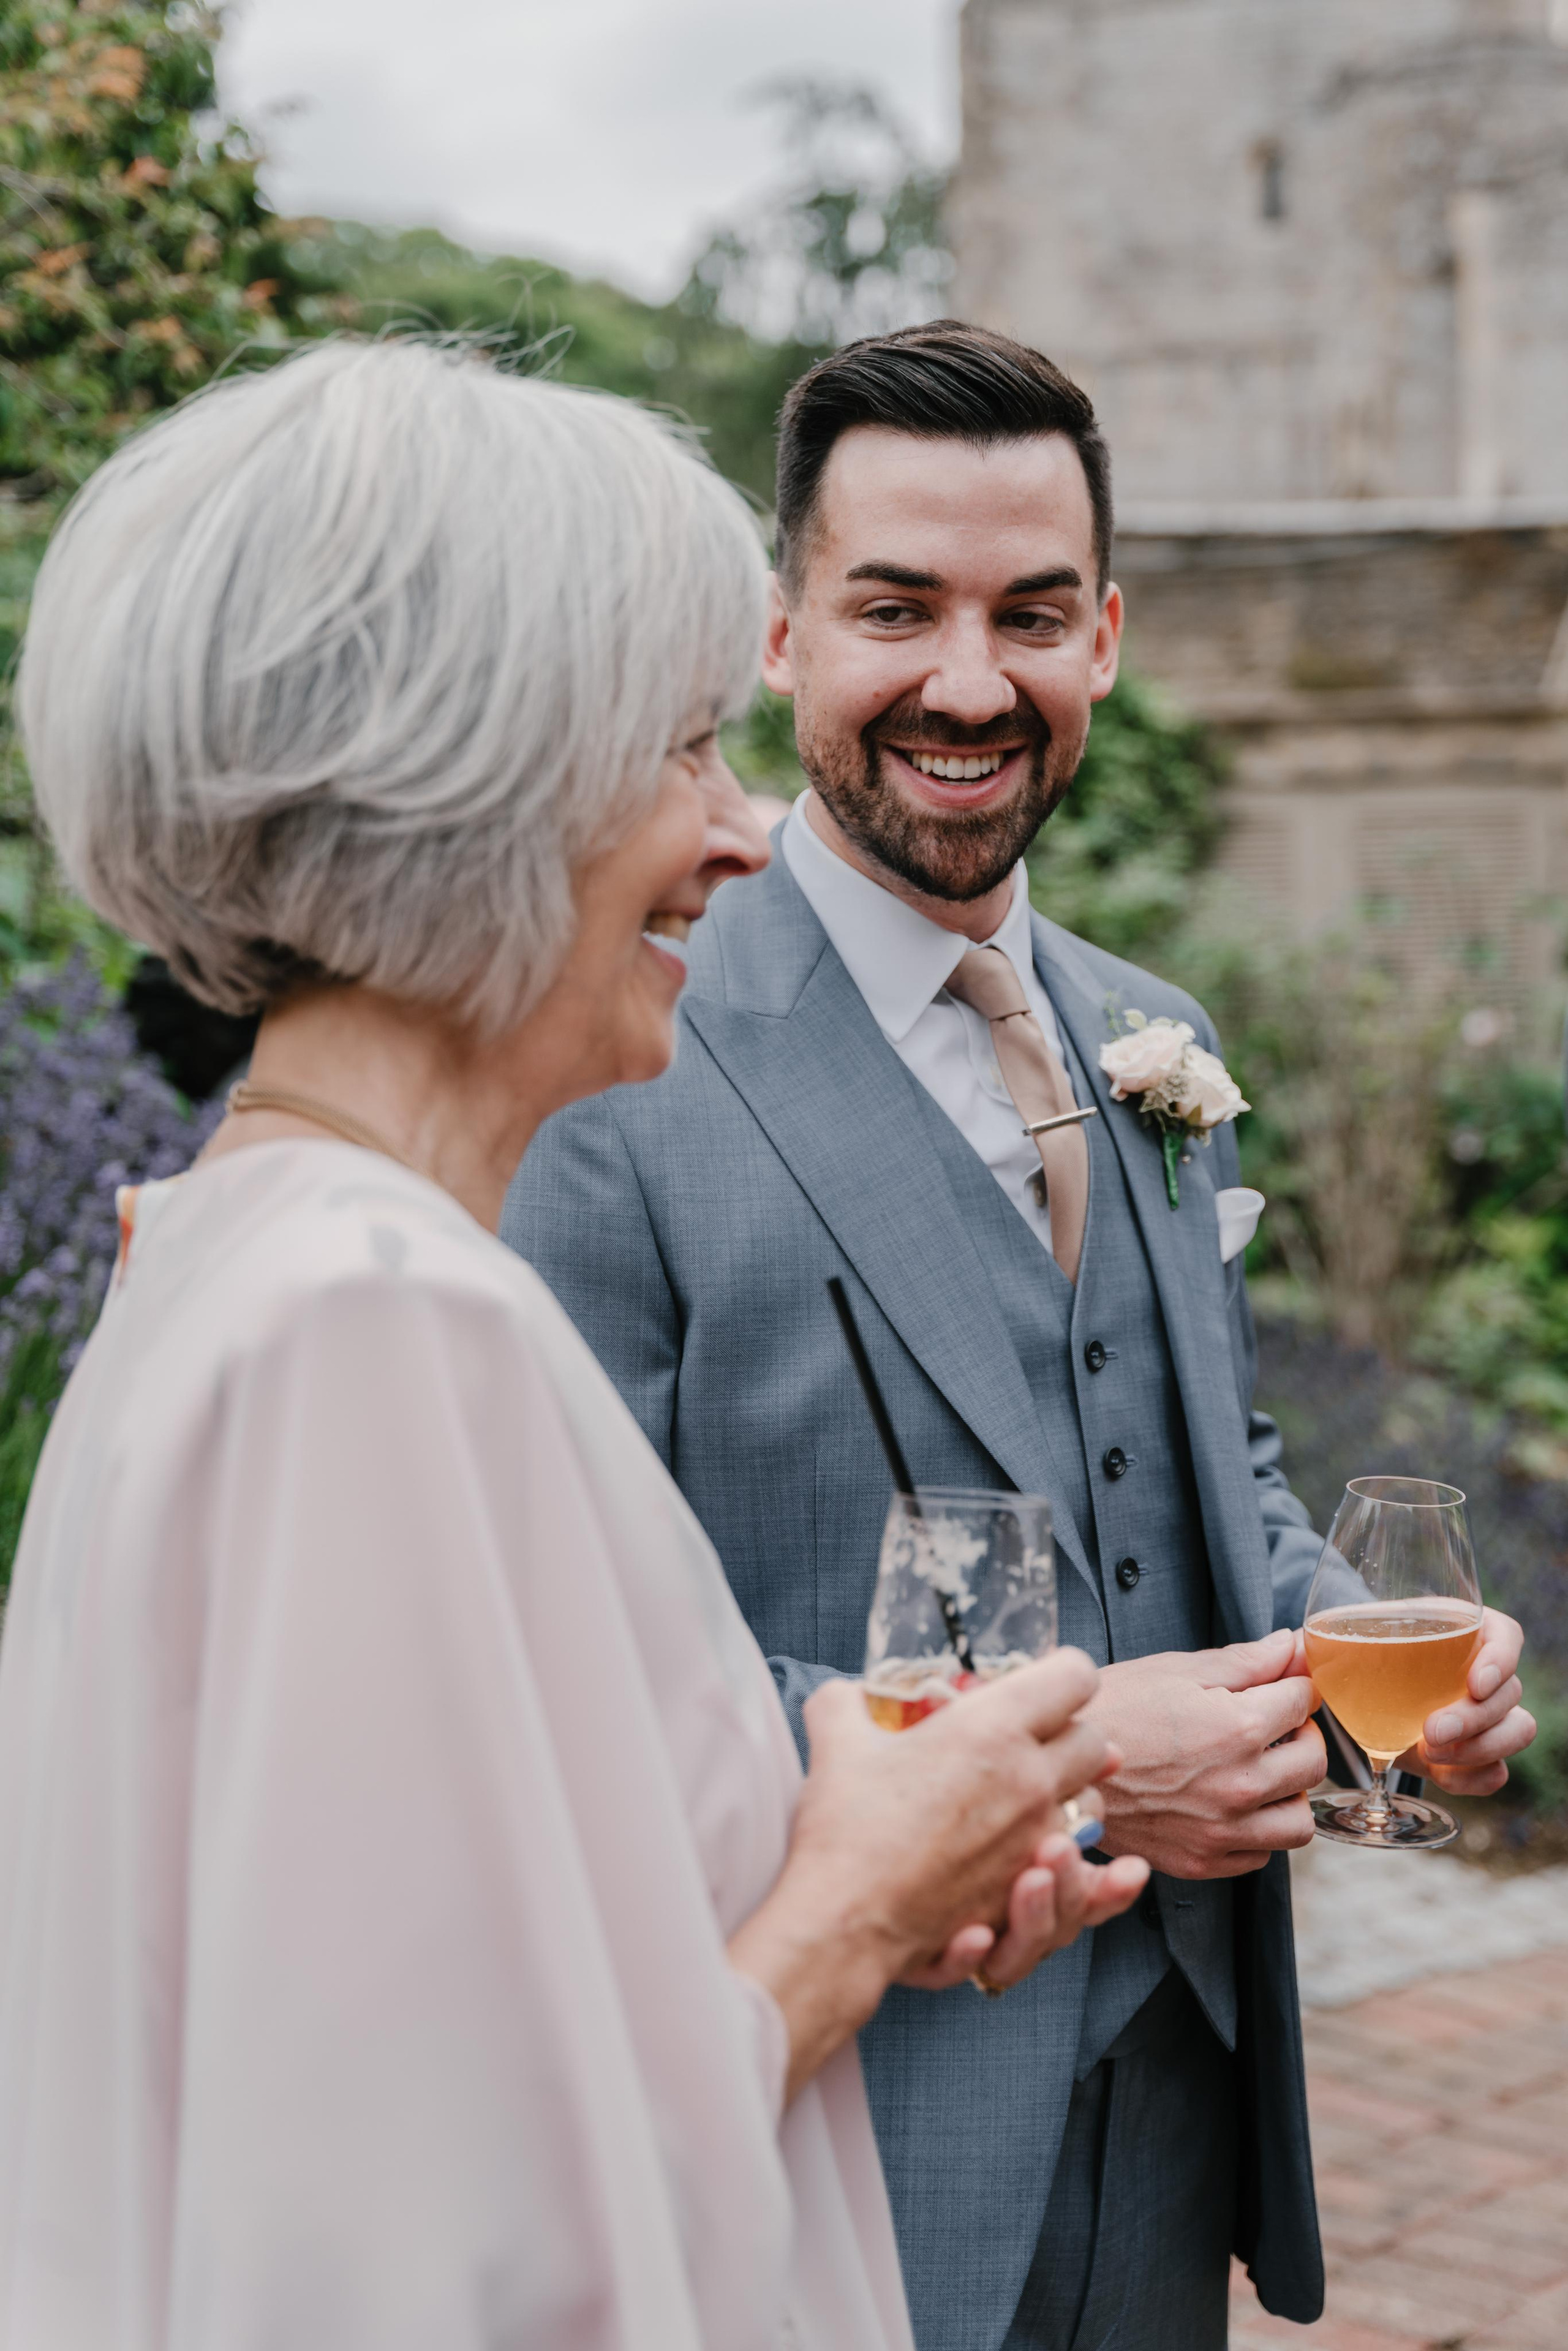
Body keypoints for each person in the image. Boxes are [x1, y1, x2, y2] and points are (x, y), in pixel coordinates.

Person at [0, 339, 1151, 2351]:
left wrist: (858, 1828)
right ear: (470, 774)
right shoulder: (373, 1324)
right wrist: (852, 1911)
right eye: (685, 747)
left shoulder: (233, 1247)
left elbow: (397, 2024)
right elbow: (422, 2272)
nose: (736, 835)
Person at [505, 322, 1539, 2351]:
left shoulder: (1162, 1036)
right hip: (840, 2111)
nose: (970, 685)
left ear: (1107, 637)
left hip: (1182, 2087)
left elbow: (1199, 1459)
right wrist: (1065, 1781)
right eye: (898, 609)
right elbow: (553, 1655)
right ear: (783, 633)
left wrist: (1366, 1668)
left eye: (1031, 614)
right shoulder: (606, 1050)